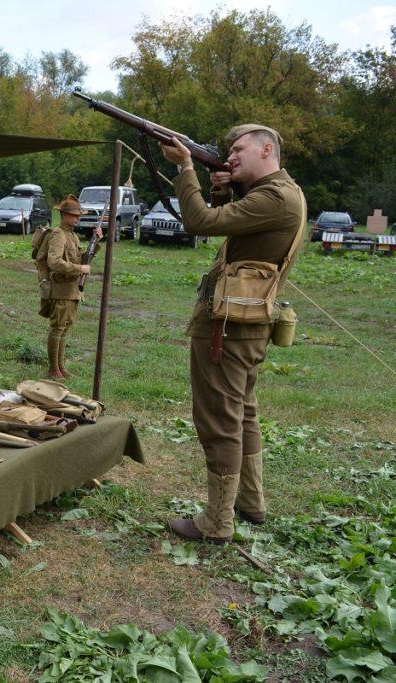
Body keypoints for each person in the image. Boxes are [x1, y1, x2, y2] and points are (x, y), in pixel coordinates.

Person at [160, 124, 305, 543]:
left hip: (228, 326)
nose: (232, 156)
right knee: (242, 413)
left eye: (239, 150)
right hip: (246, 325)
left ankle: (217, 522)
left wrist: (186, 166)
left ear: (266, 149)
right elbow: (237, 227)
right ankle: (250, 502)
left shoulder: (274, 197)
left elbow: (199, 222)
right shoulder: (282, 193)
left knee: (220, 421)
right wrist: (225, 188)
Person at [34, 194, 100, 379]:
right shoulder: (58, 234)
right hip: (61, 288)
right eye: (75, 215)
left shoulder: (72, 235)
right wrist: (80, 268)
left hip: (72, 289)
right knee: (57, 328)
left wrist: (96, 242)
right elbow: (53, 262)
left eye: (79, 215)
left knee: (65, 328)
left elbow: (81, 258)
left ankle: (60, 366)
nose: (78, 218)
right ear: (64, 215)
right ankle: (53, 368)